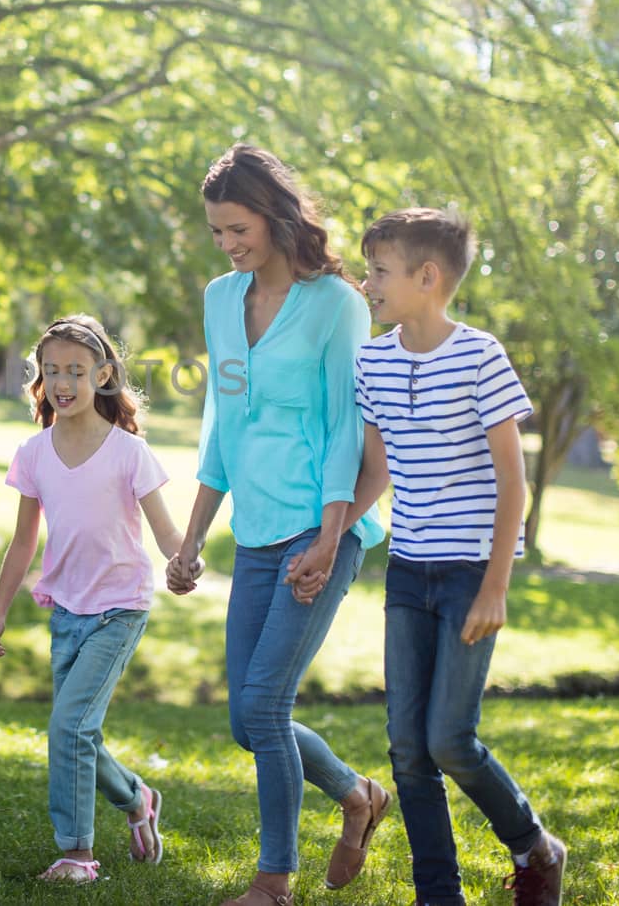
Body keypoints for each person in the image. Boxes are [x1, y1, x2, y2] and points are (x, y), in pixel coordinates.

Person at [166, 144, 390, 906]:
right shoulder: (219, 300)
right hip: (256, 531)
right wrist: (193, 535)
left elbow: (342, 428)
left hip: (318, 527)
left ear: (275, 214)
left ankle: (274, 880)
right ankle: (356, 793)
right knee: (244, 719)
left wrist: (330, 537)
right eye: (217, 231)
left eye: (238, 227)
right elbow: (219, 426)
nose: (228, 244)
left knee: (264, 706)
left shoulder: (337, 304)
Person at [354, 208, 565, 906]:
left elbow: (514, 479)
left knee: (448, 738)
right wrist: (331, 535)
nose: (369, 282)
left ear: (427, 276)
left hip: (472, 569)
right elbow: (377, 471)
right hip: (408, 570)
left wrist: (496, 584)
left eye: (380, 270)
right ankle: (437, 894)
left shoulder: (481, 355)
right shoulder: (373, 359)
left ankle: (536, 845)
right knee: (407, 748)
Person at [0, 315, 185, 884]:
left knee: (67, 726)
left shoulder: (128, 453)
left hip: (121, 607)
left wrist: (182, 559)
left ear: (104, 375)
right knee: (80, 732)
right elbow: (23, 542)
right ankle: (138, 799)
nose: (63, 381)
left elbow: (165, 530)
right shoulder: (34, 453)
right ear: (40, 380)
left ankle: (76, 853)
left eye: (76, 370)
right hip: (66, 610)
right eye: (52, 371)